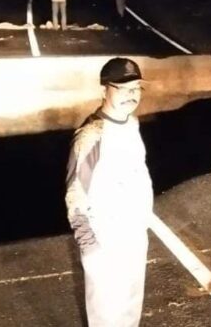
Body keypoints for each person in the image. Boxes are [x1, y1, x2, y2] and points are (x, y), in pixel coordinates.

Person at [65, 57, 154, 326]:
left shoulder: (132, 123)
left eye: (137, 88)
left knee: (129, 313)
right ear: (104, 90)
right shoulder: (91, 136)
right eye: (124, 88)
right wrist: (90, 248)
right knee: (107, 318)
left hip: (134, 239)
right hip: (105, 245)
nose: (132, 95)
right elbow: (75, 195)